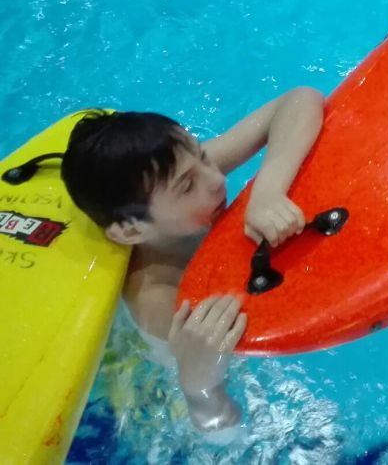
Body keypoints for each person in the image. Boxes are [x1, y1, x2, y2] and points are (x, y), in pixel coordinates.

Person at [59, 87, 324, 433]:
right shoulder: (162, 303)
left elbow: (301, 99)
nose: (215, 179)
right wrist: (200, 385)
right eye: (187, 187)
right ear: (131, 230)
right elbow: (220, 433)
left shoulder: (180, 175)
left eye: (204, 156)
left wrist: (268, 189)